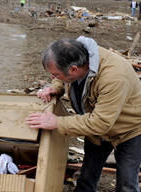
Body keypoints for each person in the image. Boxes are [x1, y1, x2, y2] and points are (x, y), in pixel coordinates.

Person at [26, 36, 141, 192]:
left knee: (127, 184)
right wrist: (56, 87)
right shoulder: (77, 55)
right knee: (87, 176)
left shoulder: (114, 77)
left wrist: (57, 122)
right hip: (97, 126)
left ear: (74, 69)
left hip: (129, 130)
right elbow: (62, 76)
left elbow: (99, 123)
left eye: (56, 74)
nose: (54, 78)